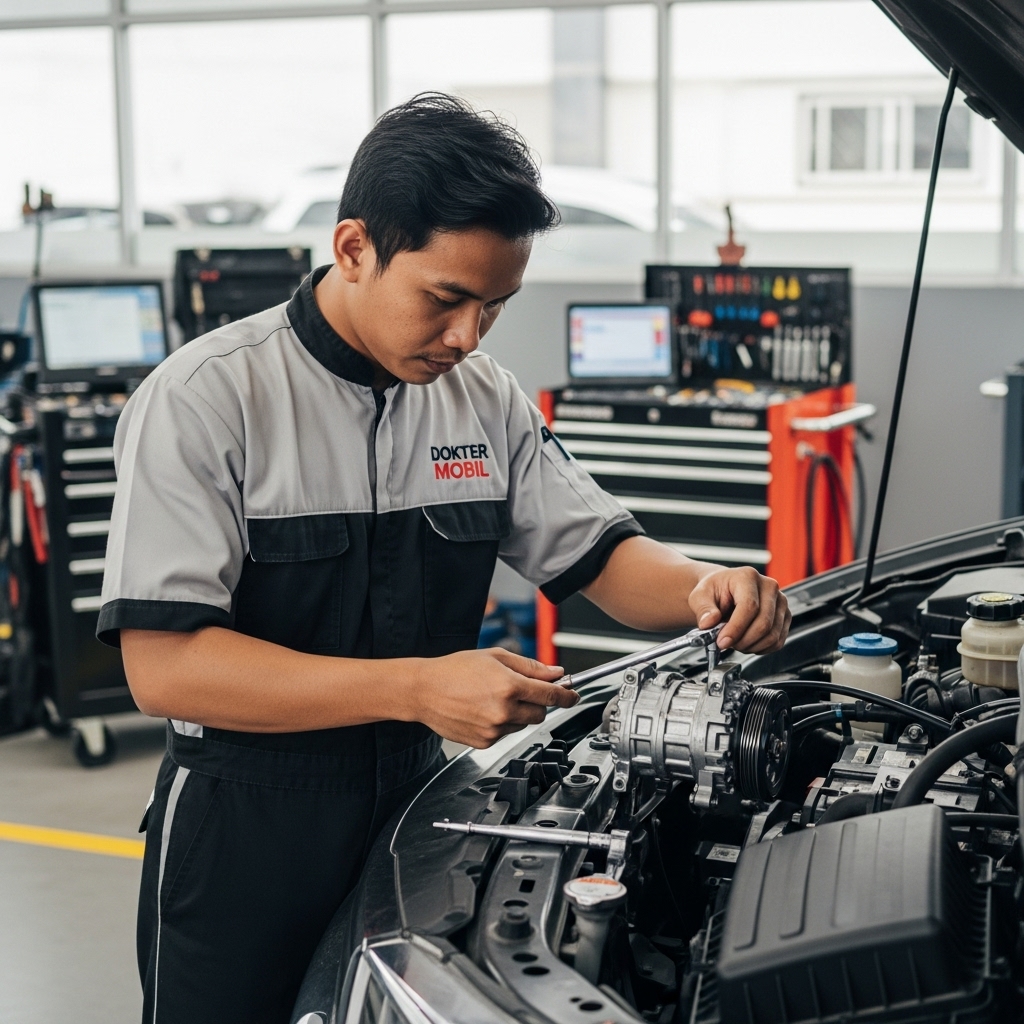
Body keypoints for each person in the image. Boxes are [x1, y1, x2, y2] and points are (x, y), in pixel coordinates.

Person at [97, 93, 790, 1024]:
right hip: (247, 826)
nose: (468, 337)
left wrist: (705, 583)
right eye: (445, 299)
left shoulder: (481, 397)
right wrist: (418, 687)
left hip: (423, 815)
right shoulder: (206, 401)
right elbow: (165, 668)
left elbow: (603, 557)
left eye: (495, 306)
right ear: (353, 248)